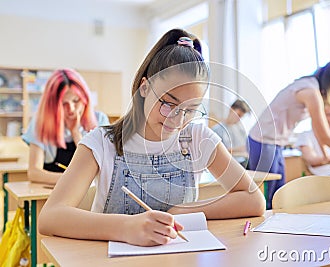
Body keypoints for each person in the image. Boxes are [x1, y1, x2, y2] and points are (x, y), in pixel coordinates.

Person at [39, 29, 265, 247]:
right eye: (168, 104)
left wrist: (181, 211)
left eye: (190, 110)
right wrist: (126, 227)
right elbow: (50, 217)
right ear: (144, 87)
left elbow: (253, 200)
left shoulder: (197, 138)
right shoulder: (101, 142)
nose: (176, 121)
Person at [248, 59, 330, 209]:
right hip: (263, 140)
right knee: (268, 196)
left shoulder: (313, 89)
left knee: (278, 195)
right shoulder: (310, 91)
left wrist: (326, 156)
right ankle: (261, 229)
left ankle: (276, 227)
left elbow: (319, 131)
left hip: (276, 142)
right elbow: (324, 134)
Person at [22, 69, 109, 185]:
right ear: (52, 106)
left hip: (89, 195)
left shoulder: (100, 120)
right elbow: (34, 173)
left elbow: (101, 168)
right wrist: (72, 180)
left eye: (76, 100)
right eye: (63, 104)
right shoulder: (40, 123)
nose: (71, 109)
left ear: (85, 99)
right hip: (53, 194)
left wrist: (75, 133)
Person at [212, 99, 250, 166]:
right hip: (227, 164)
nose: (239, 119)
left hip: (242, 162)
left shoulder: (241, 129)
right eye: (238, 115)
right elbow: (218, 153)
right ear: (231, 109)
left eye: (241, 117)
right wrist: (238, 150)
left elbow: (246, 149)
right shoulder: (217, 130)